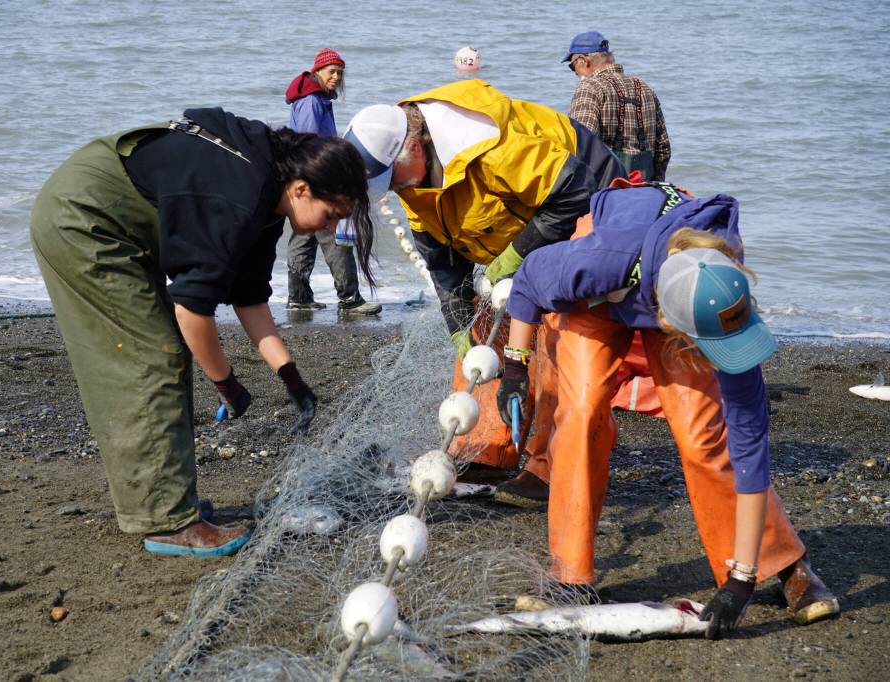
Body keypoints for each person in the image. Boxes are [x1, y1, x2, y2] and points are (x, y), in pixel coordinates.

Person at [496, 181, 839, 636]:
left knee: (703, 436)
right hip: (609, 278)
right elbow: (528, 281)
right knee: (579, 411)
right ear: (666, 326)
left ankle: (785, 563)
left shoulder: (721, 294)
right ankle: (570, 576)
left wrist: (741, 578)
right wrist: (516, 370)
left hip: (681, 274)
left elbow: (749, 441)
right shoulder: (595, 262)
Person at [30, 106, 376, 557]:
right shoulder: (243, 194)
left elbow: (248, 297)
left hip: (113, 219)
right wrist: (225, 383)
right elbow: (192, 308)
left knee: (161, 351)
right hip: (84, 220)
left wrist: (290, 377)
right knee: (151, 355)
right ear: (302, 188)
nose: (330, 227)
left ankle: (166, 499)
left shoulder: (270, 195)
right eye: (331, 215)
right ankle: (168, 520)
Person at [344, 79, 626, 505]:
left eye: (393, 180)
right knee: (478, 335)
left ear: (415, 148)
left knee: (554, 341)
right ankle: (486, 448)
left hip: (590, 205)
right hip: (527, 226)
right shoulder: (412, 177)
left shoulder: (491, 148)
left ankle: (548, 468)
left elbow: (574, 194)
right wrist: (459, 326)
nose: (396, 190)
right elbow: (442, 260)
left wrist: (514, 258)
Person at [284, 48, 381, 316]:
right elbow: (310, 143)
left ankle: (299, 297)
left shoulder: (313, 98)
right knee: (334, 235)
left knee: (304, 236)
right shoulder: (312, 102)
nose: (336, 77)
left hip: (301, 176)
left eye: (340, 72)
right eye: (331, 72)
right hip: (313, 176)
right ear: (317, 72)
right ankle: (350, 299)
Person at [563, 31, 671, 181]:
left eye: (572, 66)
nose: (574, 73)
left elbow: (581, 143)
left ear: (584, 61)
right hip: (645, 186)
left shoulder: (589, 87)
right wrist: (656, 183)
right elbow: (663, 148)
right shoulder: (645, 88)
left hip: (608, 190)